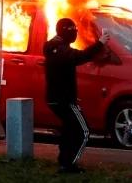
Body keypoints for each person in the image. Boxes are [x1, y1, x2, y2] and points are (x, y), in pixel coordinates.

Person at [43, 17, 110, 174]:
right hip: (64, 100)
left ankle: (64, 161)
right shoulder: (60, 49)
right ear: (67, 32)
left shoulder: (54, 47)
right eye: (74, 31)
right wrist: (100, 43)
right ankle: (68, 165)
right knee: (83, 131)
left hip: (56, 98)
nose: (75, 34)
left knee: (69, 129)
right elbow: (81, 56)